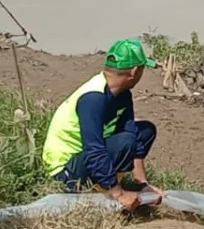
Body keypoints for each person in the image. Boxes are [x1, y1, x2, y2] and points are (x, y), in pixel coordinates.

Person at [42, 38, 163, 212]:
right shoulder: (93, 98)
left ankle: (109, 185)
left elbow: (132, 134)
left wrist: (143, 185)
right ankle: (108, 190)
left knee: (144, 131)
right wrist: (119, 194)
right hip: (65, 170)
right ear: (135, 71)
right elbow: (94, 150)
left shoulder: (122, 94)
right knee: (125, 141)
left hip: (84, 157)